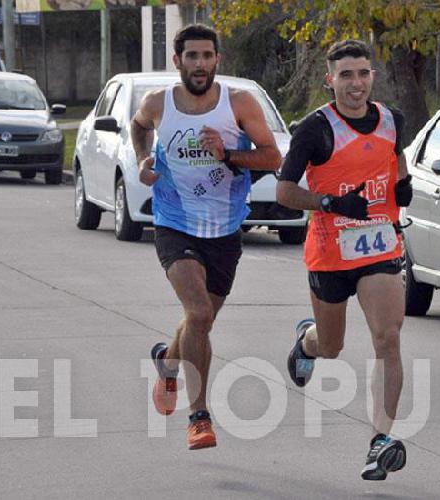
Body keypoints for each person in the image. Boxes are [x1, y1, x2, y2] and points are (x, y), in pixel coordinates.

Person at [130, 24, 282, 450]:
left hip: (225, 229)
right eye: (191, 56)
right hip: (174, 222)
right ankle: (199, 416)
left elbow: (272, 157)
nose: (200, 64)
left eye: (207, 56)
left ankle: (167, 361)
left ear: (218, 60)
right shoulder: (158, 103)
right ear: (176, 61)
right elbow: (138, 126)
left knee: (203, 320)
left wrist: (229, 153)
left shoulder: (239, 104)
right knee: (197, 314)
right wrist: (144, 159)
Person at [275, 39, 415, 480]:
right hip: (330, 250)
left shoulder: (393, 119)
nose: (356, 83)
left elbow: (395, 155)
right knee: (332, 348)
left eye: (363, 73)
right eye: (346, 75)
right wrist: (331, 202)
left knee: (387, 339)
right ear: (329, 79)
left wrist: (404, 183)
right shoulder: (315, 130)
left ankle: (380, 441)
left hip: (380, 245)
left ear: (373, 75)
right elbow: (283, 192)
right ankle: (308, 342)